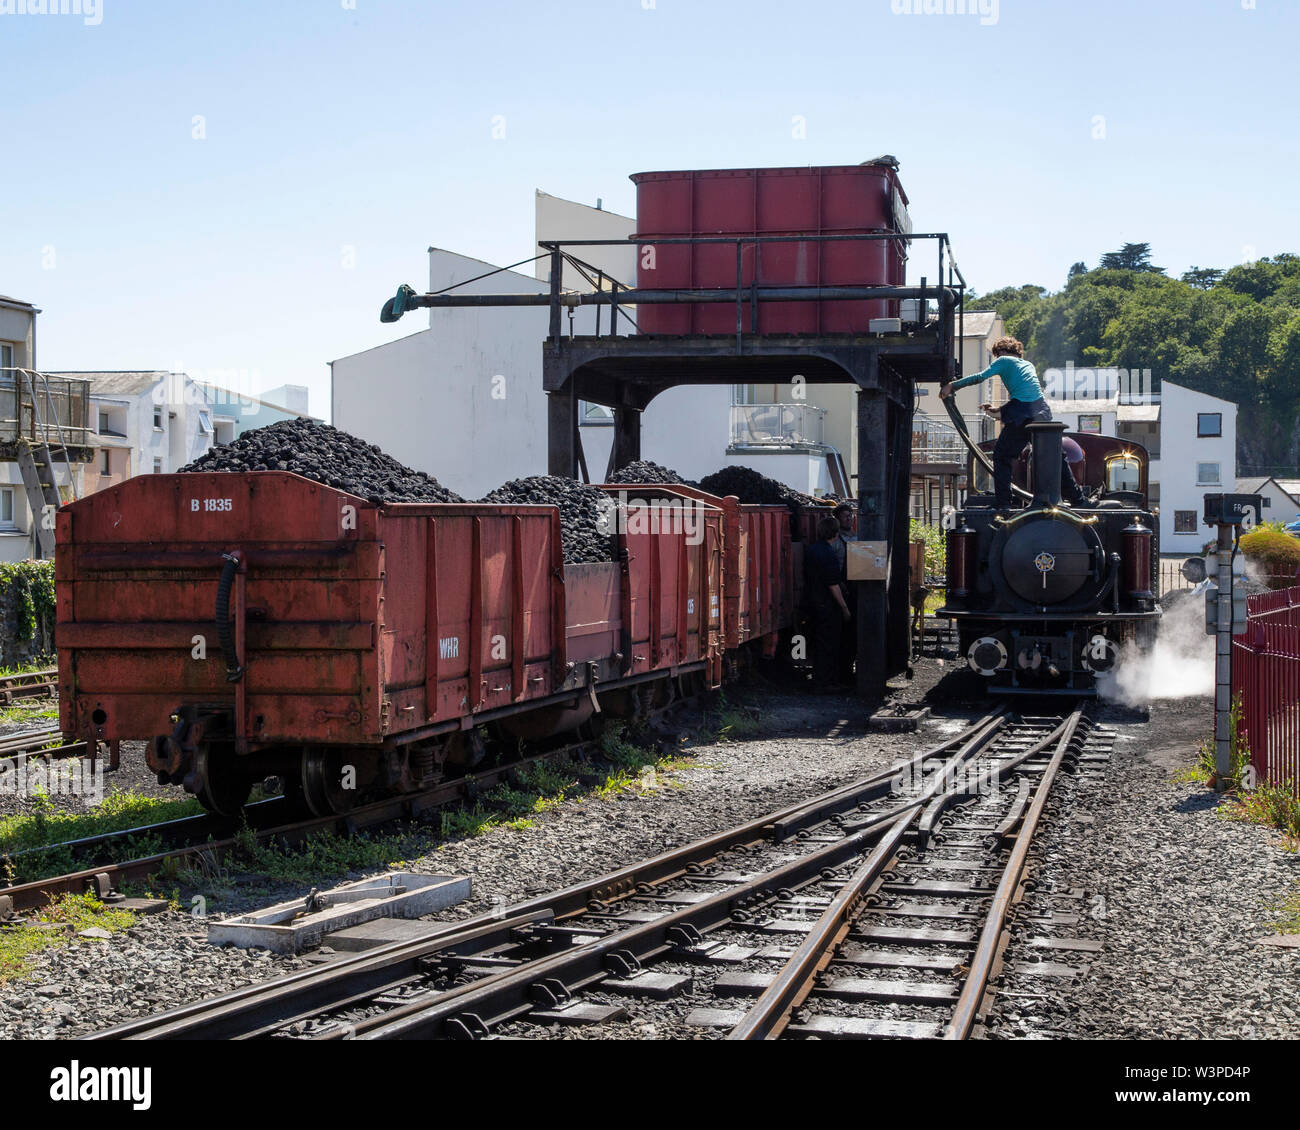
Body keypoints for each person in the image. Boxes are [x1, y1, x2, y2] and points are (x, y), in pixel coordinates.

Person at [941, 337, 1083, 509]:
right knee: (1054, 456)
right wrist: (998, 410)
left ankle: (1003, 503)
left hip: (1023, 412)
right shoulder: (1028, 364)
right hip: (1042, 411)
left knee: (1001, 455)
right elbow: (1026, 397)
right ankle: (1077, 499)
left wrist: (952, 386)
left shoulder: (1003, 359)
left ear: (1000, 351)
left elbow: (980, 377)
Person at [804, 515, 852, 693]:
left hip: (813, 602)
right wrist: (845, 608)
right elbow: (833, 585)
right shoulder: (829, 554)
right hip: (827, 605)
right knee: (830, 645)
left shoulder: (812, 549)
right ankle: (826, 683)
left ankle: (820, 680)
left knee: (819, 643)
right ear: (836, 533)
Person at [830, 503, 857, 684]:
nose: (849, 519)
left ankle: (848, 669)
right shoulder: (835, 542)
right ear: (838, 519)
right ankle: (840, 672)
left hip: (854, 588)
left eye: (851, 515)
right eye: (845, 516)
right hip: (839, 588)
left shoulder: (856, 537)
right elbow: (831, 570)